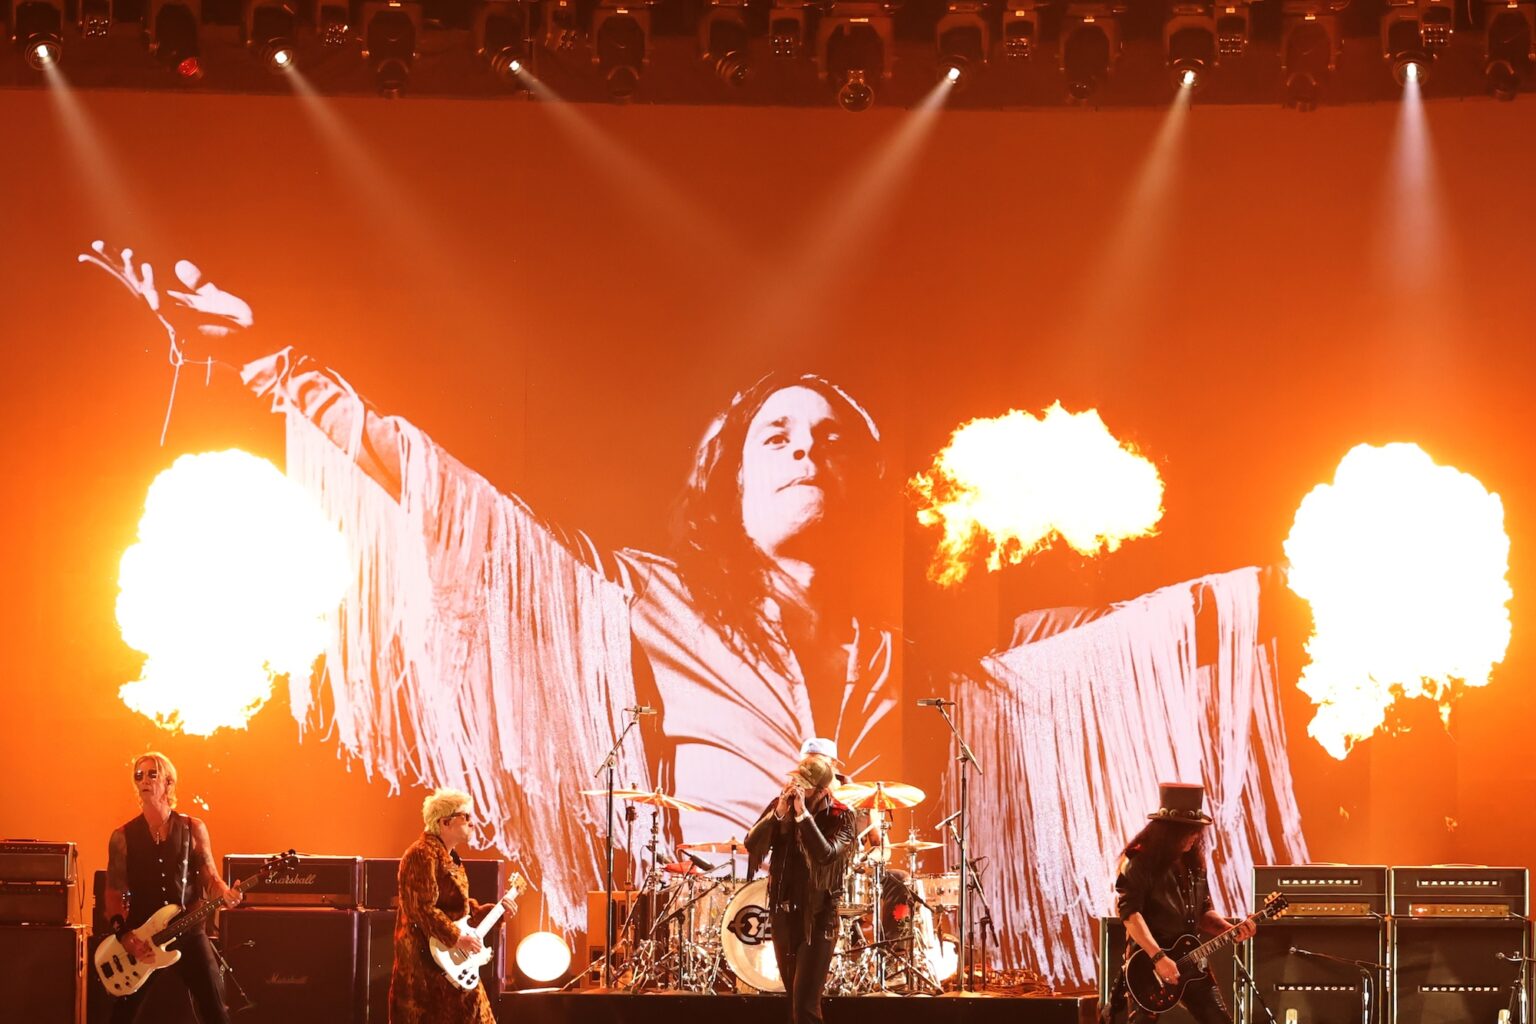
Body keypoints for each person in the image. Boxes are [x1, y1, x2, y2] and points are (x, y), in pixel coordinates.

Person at [103, 752, 242, 1024]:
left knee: (215, 1011)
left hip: (189, 932)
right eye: (139, 775)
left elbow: (210, 877)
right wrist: (126, 936)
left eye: (152, 774)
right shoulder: (122, 837)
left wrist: (226, 894)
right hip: (145, 938)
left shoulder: (193, 828)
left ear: (168, 782)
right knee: (122, 1016)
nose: (144, 780)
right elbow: (113, 891)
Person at [1109, 783, 1256, 1024]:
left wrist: (1229, 930)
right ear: (1170, 832)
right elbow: (1130, 914)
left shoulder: (1193, 863)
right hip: (1148, 965)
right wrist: (1158, 957)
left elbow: (1203, 911)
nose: (1195, 837)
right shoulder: (1139, 861)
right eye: (1188, 831)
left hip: (1190, 960)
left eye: (1197, 831)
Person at [745, 745, 856, 1024]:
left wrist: (803, 817)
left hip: (818, 919)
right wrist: (778, 814)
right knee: (793, 1002)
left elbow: (825, 854)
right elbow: (751, 843)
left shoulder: (840, 815)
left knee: (806, 1004)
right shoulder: (781, 805)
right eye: (795, 780)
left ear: (821, 791)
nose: (795, 788)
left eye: (804, 785)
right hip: (783, 915)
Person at [390, 787, 518, 1024]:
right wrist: (457, 937)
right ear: (445, 822)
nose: (472, 822)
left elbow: (458, 910)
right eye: (465, 816)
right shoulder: (421, 854)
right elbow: (421, 908)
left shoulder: (449, 857)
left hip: (450, 965)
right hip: (427, 971)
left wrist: (496, 912)